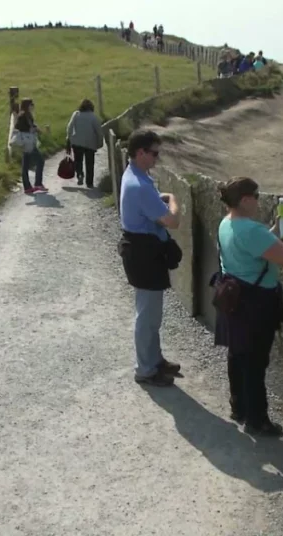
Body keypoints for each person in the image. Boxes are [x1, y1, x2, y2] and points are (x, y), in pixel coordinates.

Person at [213, 177, 283, 437]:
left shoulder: (227, 223)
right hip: (257, 303)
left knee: (237, 352)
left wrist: (275, 228)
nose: (258, 199)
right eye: (255, 195)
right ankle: (258, 419)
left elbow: (257, 245)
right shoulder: (251, 230)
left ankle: (238, 406)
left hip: (234, 298)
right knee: (255, 361)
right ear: (244, 200)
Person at [117, 130, 183, 387]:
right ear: (141, 152)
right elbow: (172, 221)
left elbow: (149, 203)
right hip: (145, 253)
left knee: (151, 313)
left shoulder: (135, 175)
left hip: (142, 250)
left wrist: (159, 199)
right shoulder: (140, 184)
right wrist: (174, 200)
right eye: (154, 153)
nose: (157, 158)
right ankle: (145, 369)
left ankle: (154, 360)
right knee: (147, 315)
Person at [66, 98, 103, 187]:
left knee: (78, 160)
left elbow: (69, 127)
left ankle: (80, 174)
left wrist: (69, 138)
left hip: (77, 142)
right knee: (90, 163)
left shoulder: (76, 114)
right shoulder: (94, 117)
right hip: (90, 143)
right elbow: (99, 132)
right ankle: (89, 183)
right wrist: (100, 143)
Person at [16, 98, 47, 195]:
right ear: (26, 106)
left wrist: (35, 128)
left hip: (27, 141)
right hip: (28, 142)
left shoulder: (26, 115)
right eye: (31, 104)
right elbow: (19, 127)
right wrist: (31, 129)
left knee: (25, 165)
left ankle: (28, 187)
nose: (32, 106)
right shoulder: (23, 116)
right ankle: (37, 183)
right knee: (40, 161)